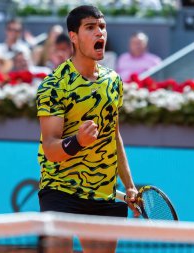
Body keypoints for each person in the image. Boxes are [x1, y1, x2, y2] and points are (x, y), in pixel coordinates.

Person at [36, 5, 139, 253]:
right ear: (73, 36)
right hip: (60, 190)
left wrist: (129, 185)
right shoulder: (54, 85)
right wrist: (78, 141)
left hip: (103, 193)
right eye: (90, 28)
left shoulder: (113, 81)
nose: (99, 33)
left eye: (101, 27)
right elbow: (50, 148)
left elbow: (114, 136)